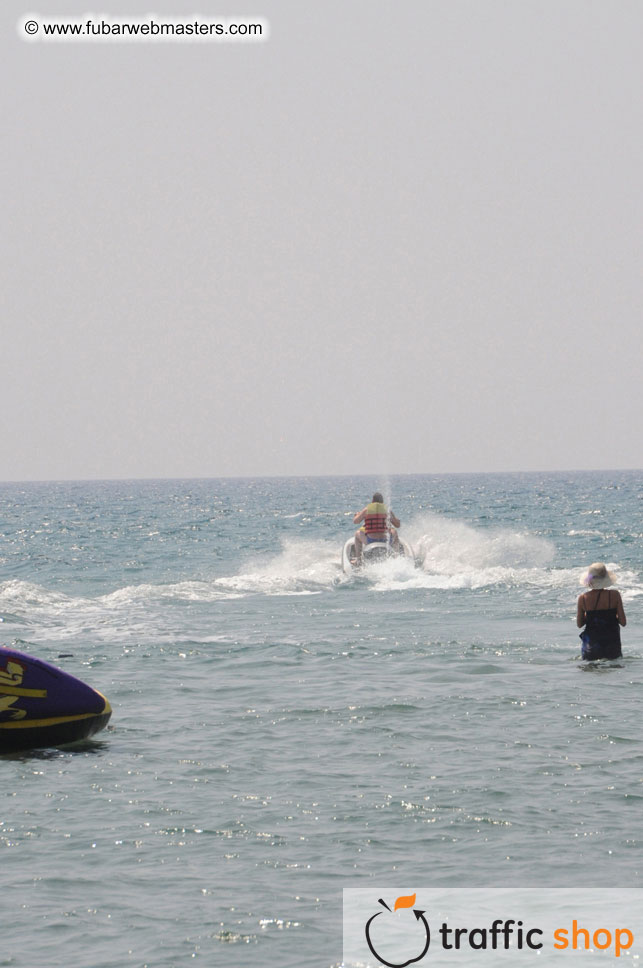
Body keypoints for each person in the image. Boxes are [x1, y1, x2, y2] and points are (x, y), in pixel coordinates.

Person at [576, 562, 626, 660]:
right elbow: (623, 622)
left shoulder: (583, 598)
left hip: (591, 649)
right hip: (612, 648)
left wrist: (592, 616)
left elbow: (579, 624)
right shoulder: (615, 595)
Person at [351, 492, 400, 564]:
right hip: (385, 540)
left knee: (357, 533)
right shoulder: (387, 510)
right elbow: (397, 525)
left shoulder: (367, 509)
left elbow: (356, 521)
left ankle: (358, 560)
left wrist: (357, 515)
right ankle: (396, 558)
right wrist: (396, 520)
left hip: (370, 540)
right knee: (394, 532)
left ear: (372, 501)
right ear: (382, 502)